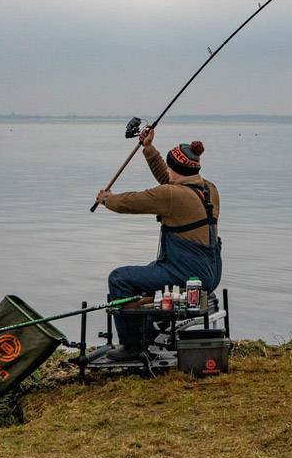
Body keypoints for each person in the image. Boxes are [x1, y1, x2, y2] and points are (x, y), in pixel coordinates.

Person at [95, 127, 222, 361]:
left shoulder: (171, 195)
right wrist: (148, 148)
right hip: (211, 273)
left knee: (119, 279)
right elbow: (168, 181)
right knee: (147, 273)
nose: (168, 172)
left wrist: (107, 200)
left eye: (169, 166)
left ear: (175, 168)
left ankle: (133, 346)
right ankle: (149, 329)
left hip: (186, 273)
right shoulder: (209, 189)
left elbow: (132, 202)